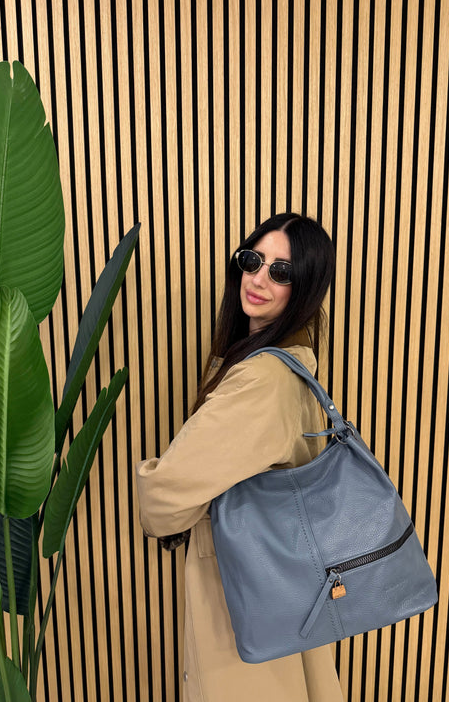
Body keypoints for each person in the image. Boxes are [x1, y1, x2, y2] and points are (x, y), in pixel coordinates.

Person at [136, 213, 344, 702]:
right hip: (283, 581)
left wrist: (154, 482)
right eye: (253, 260)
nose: (258, 278)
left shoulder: (261, 380)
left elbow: (163, 499)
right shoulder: (295, 362)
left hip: (243, 590)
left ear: (305, 286)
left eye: (281, 272)